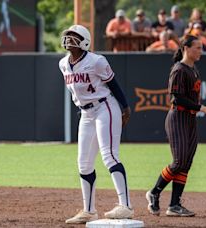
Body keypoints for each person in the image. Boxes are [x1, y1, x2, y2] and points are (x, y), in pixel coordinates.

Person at [59, 24, 133, 224]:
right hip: (85, 113)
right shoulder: (63, 64)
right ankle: (89, 210)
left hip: (104, 107)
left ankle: (125, 206)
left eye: (74, 36)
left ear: (84, 41)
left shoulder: (97, 60)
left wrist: (125, 108)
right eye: (67, 36)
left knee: (109, 156)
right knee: (83, 163)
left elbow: (113, 85)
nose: (68, 39)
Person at [146, 35, 206, 217]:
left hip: (190, 119)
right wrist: (203, 108)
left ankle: (174, 205)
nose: (200, 51)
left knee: (186, 162)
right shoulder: (179, 69)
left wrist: (198, 109)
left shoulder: (194, 69)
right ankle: (154, 192)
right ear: (186, 48)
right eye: (197, 47)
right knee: (179, 161)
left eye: (201, 48)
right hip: (177, 117)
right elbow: (176, 98)